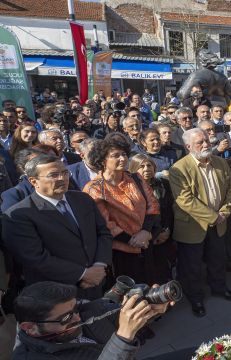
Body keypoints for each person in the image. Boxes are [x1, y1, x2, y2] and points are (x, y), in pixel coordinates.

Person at [2, 155, 112, 299]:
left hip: (94, 286)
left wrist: (99, 265)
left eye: (65, 173)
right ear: (34, 181)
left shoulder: (83, 199)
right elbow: (35, 258)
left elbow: (103, 233)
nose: (62, 178)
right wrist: (83, 274)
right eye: (53, 175)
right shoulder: (19, 215)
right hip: (53, 296)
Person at [169, 129, 231, 317]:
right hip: (192, 226)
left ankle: (219, 288)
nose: (206, 145)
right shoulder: (179, 168)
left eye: (207, 140)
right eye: (200, 142)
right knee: (192, 266)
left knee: (218, 258)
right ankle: (196, 298)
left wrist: (224, 212)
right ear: (188, 147)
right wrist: (213, 216)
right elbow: (185, 200)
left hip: (220, 221)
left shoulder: (220, 162)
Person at [12, 281, 173, 360]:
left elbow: (123, 318)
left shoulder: (86, 310)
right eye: (66, 318)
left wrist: (150, 311)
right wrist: (123, 337)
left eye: (75, 308)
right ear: (30, 328)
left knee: (199, 353)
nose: (77, 317)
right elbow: (125, 332)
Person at [84, 136, 161, 285]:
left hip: (145, 243)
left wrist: (145, 232)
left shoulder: (136, 178)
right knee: (128, 291)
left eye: (124, 154)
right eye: (115, 155)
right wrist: (134, 241)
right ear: (102, 160)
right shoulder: (95, 188)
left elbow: (153, 205)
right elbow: (105, 223)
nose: (122, 158)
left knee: (149, 285)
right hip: (120, 250)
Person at [128, 154, 175, 285]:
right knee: (148, 273)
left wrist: (166, 229)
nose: (146, 169)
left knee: (164, 270)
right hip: (145, 238)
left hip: (164, 235)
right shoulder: (130, 189)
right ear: (133, 169)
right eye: (141, 166)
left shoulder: (163, 184)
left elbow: (168, 210)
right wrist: (153, 234)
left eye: (149, 165)